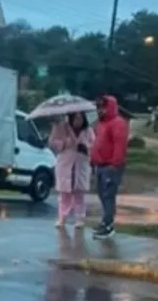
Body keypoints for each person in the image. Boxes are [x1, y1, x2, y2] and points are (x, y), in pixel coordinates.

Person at [90, 95, 129, 239]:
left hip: (111, 166)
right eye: (98, 107)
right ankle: (105, 221)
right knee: (102, 194)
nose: (100, 110)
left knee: (108, 195)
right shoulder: (101, 124)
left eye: (103, 106)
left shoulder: (118, 123)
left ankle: (108, 224)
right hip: (100, 165)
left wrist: (115, 164)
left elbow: (120, 146)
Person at [48, 111, 95, 228]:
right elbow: (52, 142)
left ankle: (79, 218)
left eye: (81, 118)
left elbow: (94, 144)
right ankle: (62, 218)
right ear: (71, 117)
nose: (78, 120)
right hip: (66, 163)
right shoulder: (60, 127)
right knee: (64, 194)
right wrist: (64, 143)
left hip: (81, 163)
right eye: (76, 118)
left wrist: (86, 146)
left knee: (79, 194)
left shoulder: (88, 130)